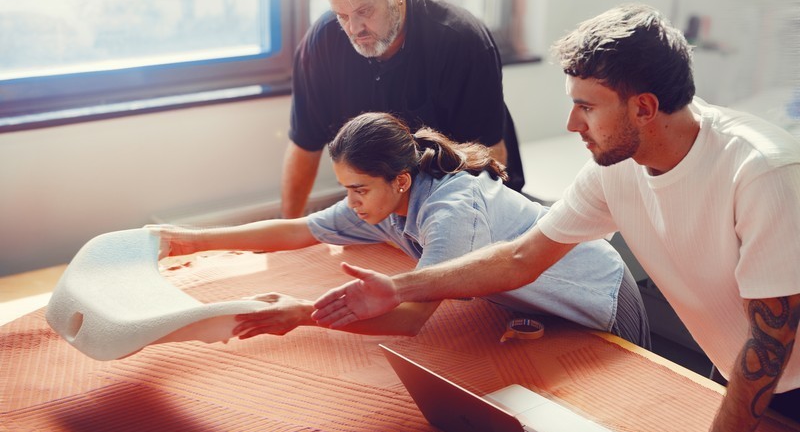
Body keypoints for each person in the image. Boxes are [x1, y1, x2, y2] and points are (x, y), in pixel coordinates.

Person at [312, 4, 800, 432]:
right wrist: (400, 288)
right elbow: (522, 257)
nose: (572, 124)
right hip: (750, 380)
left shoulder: (761, 172)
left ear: (645, 108)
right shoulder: (616, 169)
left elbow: (770, 343)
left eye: (587, 107)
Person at [155, 111, 650, 348]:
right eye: (346, 188)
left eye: (359, 189)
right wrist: (194, 239)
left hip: (597, 293)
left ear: (401, 180)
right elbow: (297, 230)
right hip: (534, 303)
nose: (351, 203)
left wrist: (300, 316)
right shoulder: (380, 204)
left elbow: (410, 318)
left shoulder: (450, 213)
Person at [282, 0, 525, 218]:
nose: (354, 28)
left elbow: (489, 155)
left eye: (364, 11)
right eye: (342, 15)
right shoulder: (322, 43)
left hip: (460, 195)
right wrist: (288, 231)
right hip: (382, 205)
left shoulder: (462, 41)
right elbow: (305, 143)